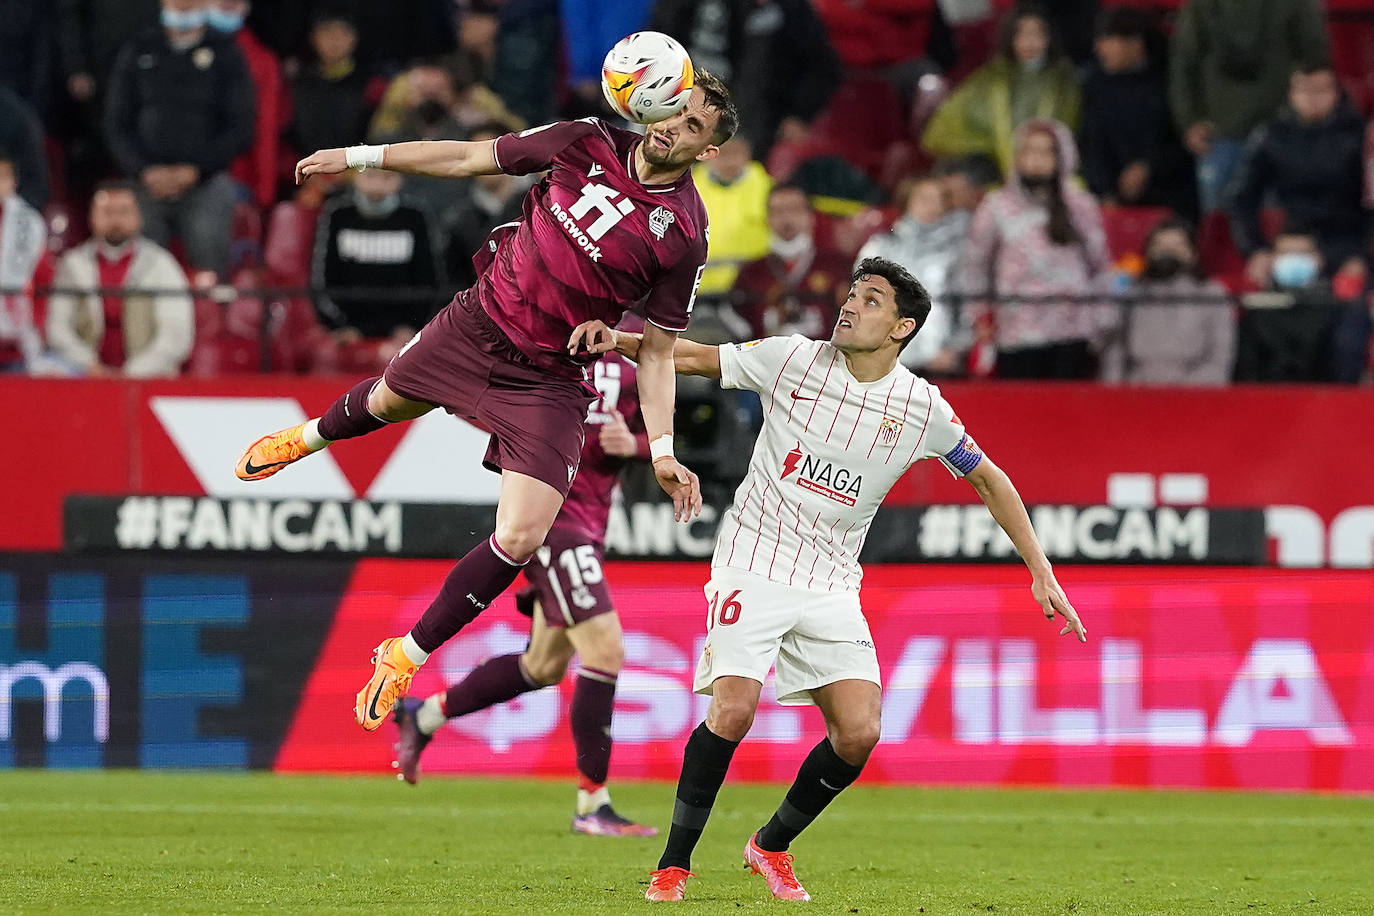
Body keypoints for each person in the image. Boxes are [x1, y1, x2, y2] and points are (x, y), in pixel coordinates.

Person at [234, 74, 739, 732]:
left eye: (695, 126)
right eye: (678, 110)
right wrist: (358, 157)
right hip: (479, 324)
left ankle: (405, 654)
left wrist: (663, 449)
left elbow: (660, 351)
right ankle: (306, 440)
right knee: (388, 402)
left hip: (550, 378)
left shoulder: (684, 235)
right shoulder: (584, 141)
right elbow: (465, 157)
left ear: (706, 152)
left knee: (521, 537)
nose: (677, 125)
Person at [579, 257, 1086, 902]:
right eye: (850, 294)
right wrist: (616, 338)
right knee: (732, 711)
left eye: (870, 300)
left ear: (902, 327)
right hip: (754, 559)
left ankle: (769, 846)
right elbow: (696, 357)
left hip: (831, 580)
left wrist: (1040, 571)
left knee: (859, 731)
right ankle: (674, 864)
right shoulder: (790, 358)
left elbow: (989, 477)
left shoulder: (922, 407)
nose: (848, 305)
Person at [393, 341, 658, 837]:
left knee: (543, 665)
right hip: (552, 519)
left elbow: (661, 427)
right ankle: (592, 804)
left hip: (594, 523)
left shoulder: (639, 344)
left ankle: (424, 715)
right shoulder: (545, 331)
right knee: (606, 648)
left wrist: (640, 446)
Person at [103, 0, 255, 276]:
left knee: (208, 242)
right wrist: (143, 170)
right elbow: (116, 122)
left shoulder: (226, 52)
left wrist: (196, 170)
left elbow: (240, 125)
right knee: (139, 265)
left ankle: (211, 314)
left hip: (206, 180)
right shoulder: (139, 47)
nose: (185, 4)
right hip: (145, 181)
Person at [957, 120, 1112, 379]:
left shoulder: (1081, 205)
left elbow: (1099, 264)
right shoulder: (996, 205)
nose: (1037, 160)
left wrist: (1102, 319)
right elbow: (976, 264)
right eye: (1029, 151)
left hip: (1073, 330)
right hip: (1016, 330)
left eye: (1046, 152)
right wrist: (980, 315)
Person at [1168, 0, 1329, 213]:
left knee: (1225, 227)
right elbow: (1316, 58)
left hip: (1261, 131)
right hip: (1239, 132)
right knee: (1269, 224)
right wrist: (1189, 121)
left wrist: (1189, 120)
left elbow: (1184, 65)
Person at [1227, 66, 1369, 291]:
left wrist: (1364, 257)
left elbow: (1370, 202)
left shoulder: (1360, 135)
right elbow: (1241, 198)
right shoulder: (1271, 135)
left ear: (1336, 93)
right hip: (1291, 242)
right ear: (1291, 93)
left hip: (1346, 241)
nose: (1312, 98)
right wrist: (1255, 250)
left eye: (1321, 90)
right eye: (1304, 90)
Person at [651, 0, 840, 159]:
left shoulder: (787, 9)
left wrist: (800, 114)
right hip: (676, 103)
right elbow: (658, 42)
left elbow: (822, 65)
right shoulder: (683, 4)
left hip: (750, 121)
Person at [46, 180, 193, 377]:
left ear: (139, 217)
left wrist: (133, 372)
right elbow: (57, 328)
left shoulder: (161, 265)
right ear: (91, 217)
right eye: (106, 212)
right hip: (84, 374)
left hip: (148, 377)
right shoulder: (73, 264)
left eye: (124, 212)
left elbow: (176, 333)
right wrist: (89, 363)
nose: (115, 219)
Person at [922, 3, 1081, 177]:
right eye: (1022, 35)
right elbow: (944, 130)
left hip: (1050, 170)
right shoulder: (993, 78)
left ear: (1049, 38)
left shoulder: (1063, 80)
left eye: (1036, 34)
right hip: (992, 170)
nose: (1030, 42)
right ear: (1010, 38)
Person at [310, 168, 445, 373]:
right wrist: (340, 326)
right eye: (370, 177)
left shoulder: (416, 216)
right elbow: (321, 279)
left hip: (404, 330)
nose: (377, 185)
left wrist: (413, 326)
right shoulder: (337, 214)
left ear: (399, 180)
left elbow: (431, 279)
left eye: (387, 177)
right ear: (356, 178)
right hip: (347, 330)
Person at [1079, 7, 1197, 218]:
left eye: (1107, 40)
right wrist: (1105, 191)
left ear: (1135, 43)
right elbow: (1092, 144)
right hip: (1112, 199)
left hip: (1172, 196)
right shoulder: (1095, 86)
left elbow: (1184, 141)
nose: (1098, 49)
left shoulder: (1170, 83)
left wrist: (1149, 168)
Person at [855, 177, 968, 375]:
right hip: (887, 361)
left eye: (938, 199)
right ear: (906, 202)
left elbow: (969, 304)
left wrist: (956, 348)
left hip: (941, 361)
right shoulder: (880, 247)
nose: (931, 206)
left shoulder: (959, 251)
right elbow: (861, 303)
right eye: (923, 198)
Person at [1101, 217, 1234, 385]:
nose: (1168, 252)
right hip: (1136, 394)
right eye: (1160, 246)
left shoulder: (1213, 295)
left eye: (1177, 247)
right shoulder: (1130, 294)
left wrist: (1178, 396)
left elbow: (1218, 361)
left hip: (1195, 396)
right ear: (1147, 252)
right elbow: (1114, 356)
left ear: (1193, 254)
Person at [1234, 228, 1370, 383]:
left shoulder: (1338, 310)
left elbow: (1342, 369)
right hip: (1264, 399)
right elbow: (1246, 371)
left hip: (1323, 399)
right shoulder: (1256, 310)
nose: (1294, 260)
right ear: (1272, 259)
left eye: (1302, 253)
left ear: (1318, 259)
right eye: (1286, 253)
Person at [731, 184, 849, 340]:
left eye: (794, 210)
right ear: (767, 219)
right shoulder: (750, 273)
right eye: (778, 211)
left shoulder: (837, 266)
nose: (787, 219)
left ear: (811, 216)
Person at [693, 136, 772, 298]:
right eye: (722, 153)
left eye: (736, 153)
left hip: (752, 292)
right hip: (698, 293)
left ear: (748, 154)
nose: (729, 161)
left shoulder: (768, 188)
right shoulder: (688, 188)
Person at [287, 13, 373, 159]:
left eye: (342, 33)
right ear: (313, 38)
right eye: (327, 32)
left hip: (358, 173)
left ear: (354, 38)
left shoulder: (371, 86)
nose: (335, 41)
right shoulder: (298, 86)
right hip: (305, 174)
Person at [0, 154, 47, 373]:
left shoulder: (30, 223)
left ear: (13, 182)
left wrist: (38, 324)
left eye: (1, 176)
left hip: (14, 344)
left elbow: (43, 278)